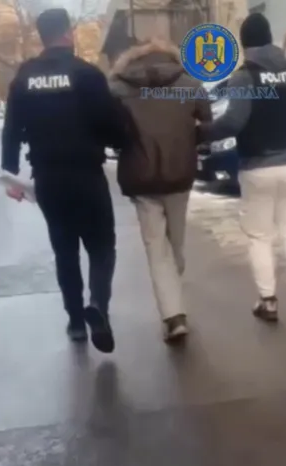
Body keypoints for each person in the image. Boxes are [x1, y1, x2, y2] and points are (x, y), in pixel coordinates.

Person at [1, 8, 128, 352]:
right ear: (68, 33)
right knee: (102, 246)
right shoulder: (86, 74)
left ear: (42, 36)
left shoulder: (24, 77)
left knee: (65, 250)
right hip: (86, 175)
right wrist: (122, 141)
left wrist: (11, 176)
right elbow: (111, 125)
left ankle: (75, 322)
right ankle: (98, 305)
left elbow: (11, 130)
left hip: (49, 179)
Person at [198, 13, 286, 324]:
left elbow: (233, 122)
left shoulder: (244, 76)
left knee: (260, 236)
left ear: (244, 44)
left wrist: (201, 131)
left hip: (257, 167)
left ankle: (268, 301)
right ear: (270, 38)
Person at [108, 38, 212, 343]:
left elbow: (111, 130)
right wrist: (192, 139)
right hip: (179, 174)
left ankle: (173, 315)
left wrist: (123, 144)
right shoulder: (190, 83)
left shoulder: (117, 87)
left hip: (140, 177)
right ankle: (174, 305)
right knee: (175, 243)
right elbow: (207, 122)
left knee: (156, 247)